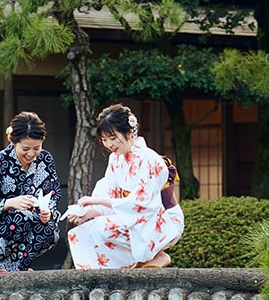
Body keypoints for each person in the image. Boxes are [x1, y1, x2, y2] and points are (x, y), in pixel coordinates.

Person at [66, 104, 184, 269]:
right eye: (104, 139)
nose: (109, 144)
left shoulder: (149, 158)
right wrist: (88, 213)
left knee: (101, 228)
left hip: (163, 219)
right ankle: (141, 260)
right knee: (85, 231)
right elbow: (111, 193)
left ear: (129, 132)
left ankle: (156, 254)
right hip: (139, 216)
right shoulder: (116, 159)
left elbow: (142, 204)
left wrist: (97, 201)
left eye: (112, 137)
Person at [0, 111, 61, 272]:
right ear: (12, 141)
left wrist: (47, 211)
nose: (31, 154)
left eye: (36, 148)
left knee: (49, 228)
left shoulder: (45, 159)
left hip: (32, 219)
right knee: (20, 217)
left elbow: (53, 192)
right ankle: (3, 267)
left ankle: (18, 268)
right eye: (25, 148)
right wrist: (9, 203)